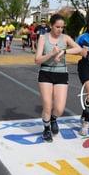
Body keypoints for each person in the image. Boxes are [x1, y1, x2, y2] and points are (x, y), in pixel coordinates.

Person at [35, 14, 82, 142]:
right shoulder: (43, 38)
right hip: (45, 72)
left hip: (61, 73)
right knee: (47, 105)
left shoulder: (65, 38)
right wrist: (51, 53)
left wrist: (64, 51)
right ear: (51, 26)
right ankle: (46, 129)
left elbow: (79, 49)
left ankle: (53, 119)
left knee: (59, 108)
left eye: (62, 27)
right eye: (57, 27)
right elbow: (37, 59)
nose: (60, 29)